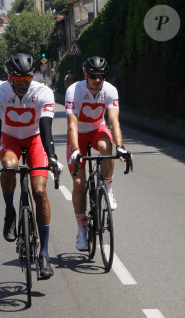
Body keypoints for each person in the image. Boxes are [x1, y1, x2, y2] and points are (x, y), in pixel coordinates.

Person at [0, 53, 62, 279]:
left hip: (35, 139)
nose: (22, 85)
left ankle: (44, 255)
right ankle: (10, 211)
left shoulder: (43, 92)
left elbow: (46, 127)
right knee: (8, 165)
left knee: (39, 191)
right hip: (9, 138)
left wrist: (53, 156)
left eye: (26, 81)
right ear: (9, 78)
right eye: (17, 81)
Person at [65, 56, 132, 251]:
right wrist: (76, 150)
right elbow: (72, 124)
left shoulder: (110, 90)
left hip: (97, 129)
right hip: (78, 133)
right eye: (93, 76)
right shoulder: (74, 90)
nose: (97, 80)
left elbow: (114, 122)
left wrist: (120, 146)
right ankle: (81, 230)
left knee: (106, 147)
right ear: (86, 75)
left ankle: (108, 189)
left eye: (101, 76)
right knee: (79, 183)